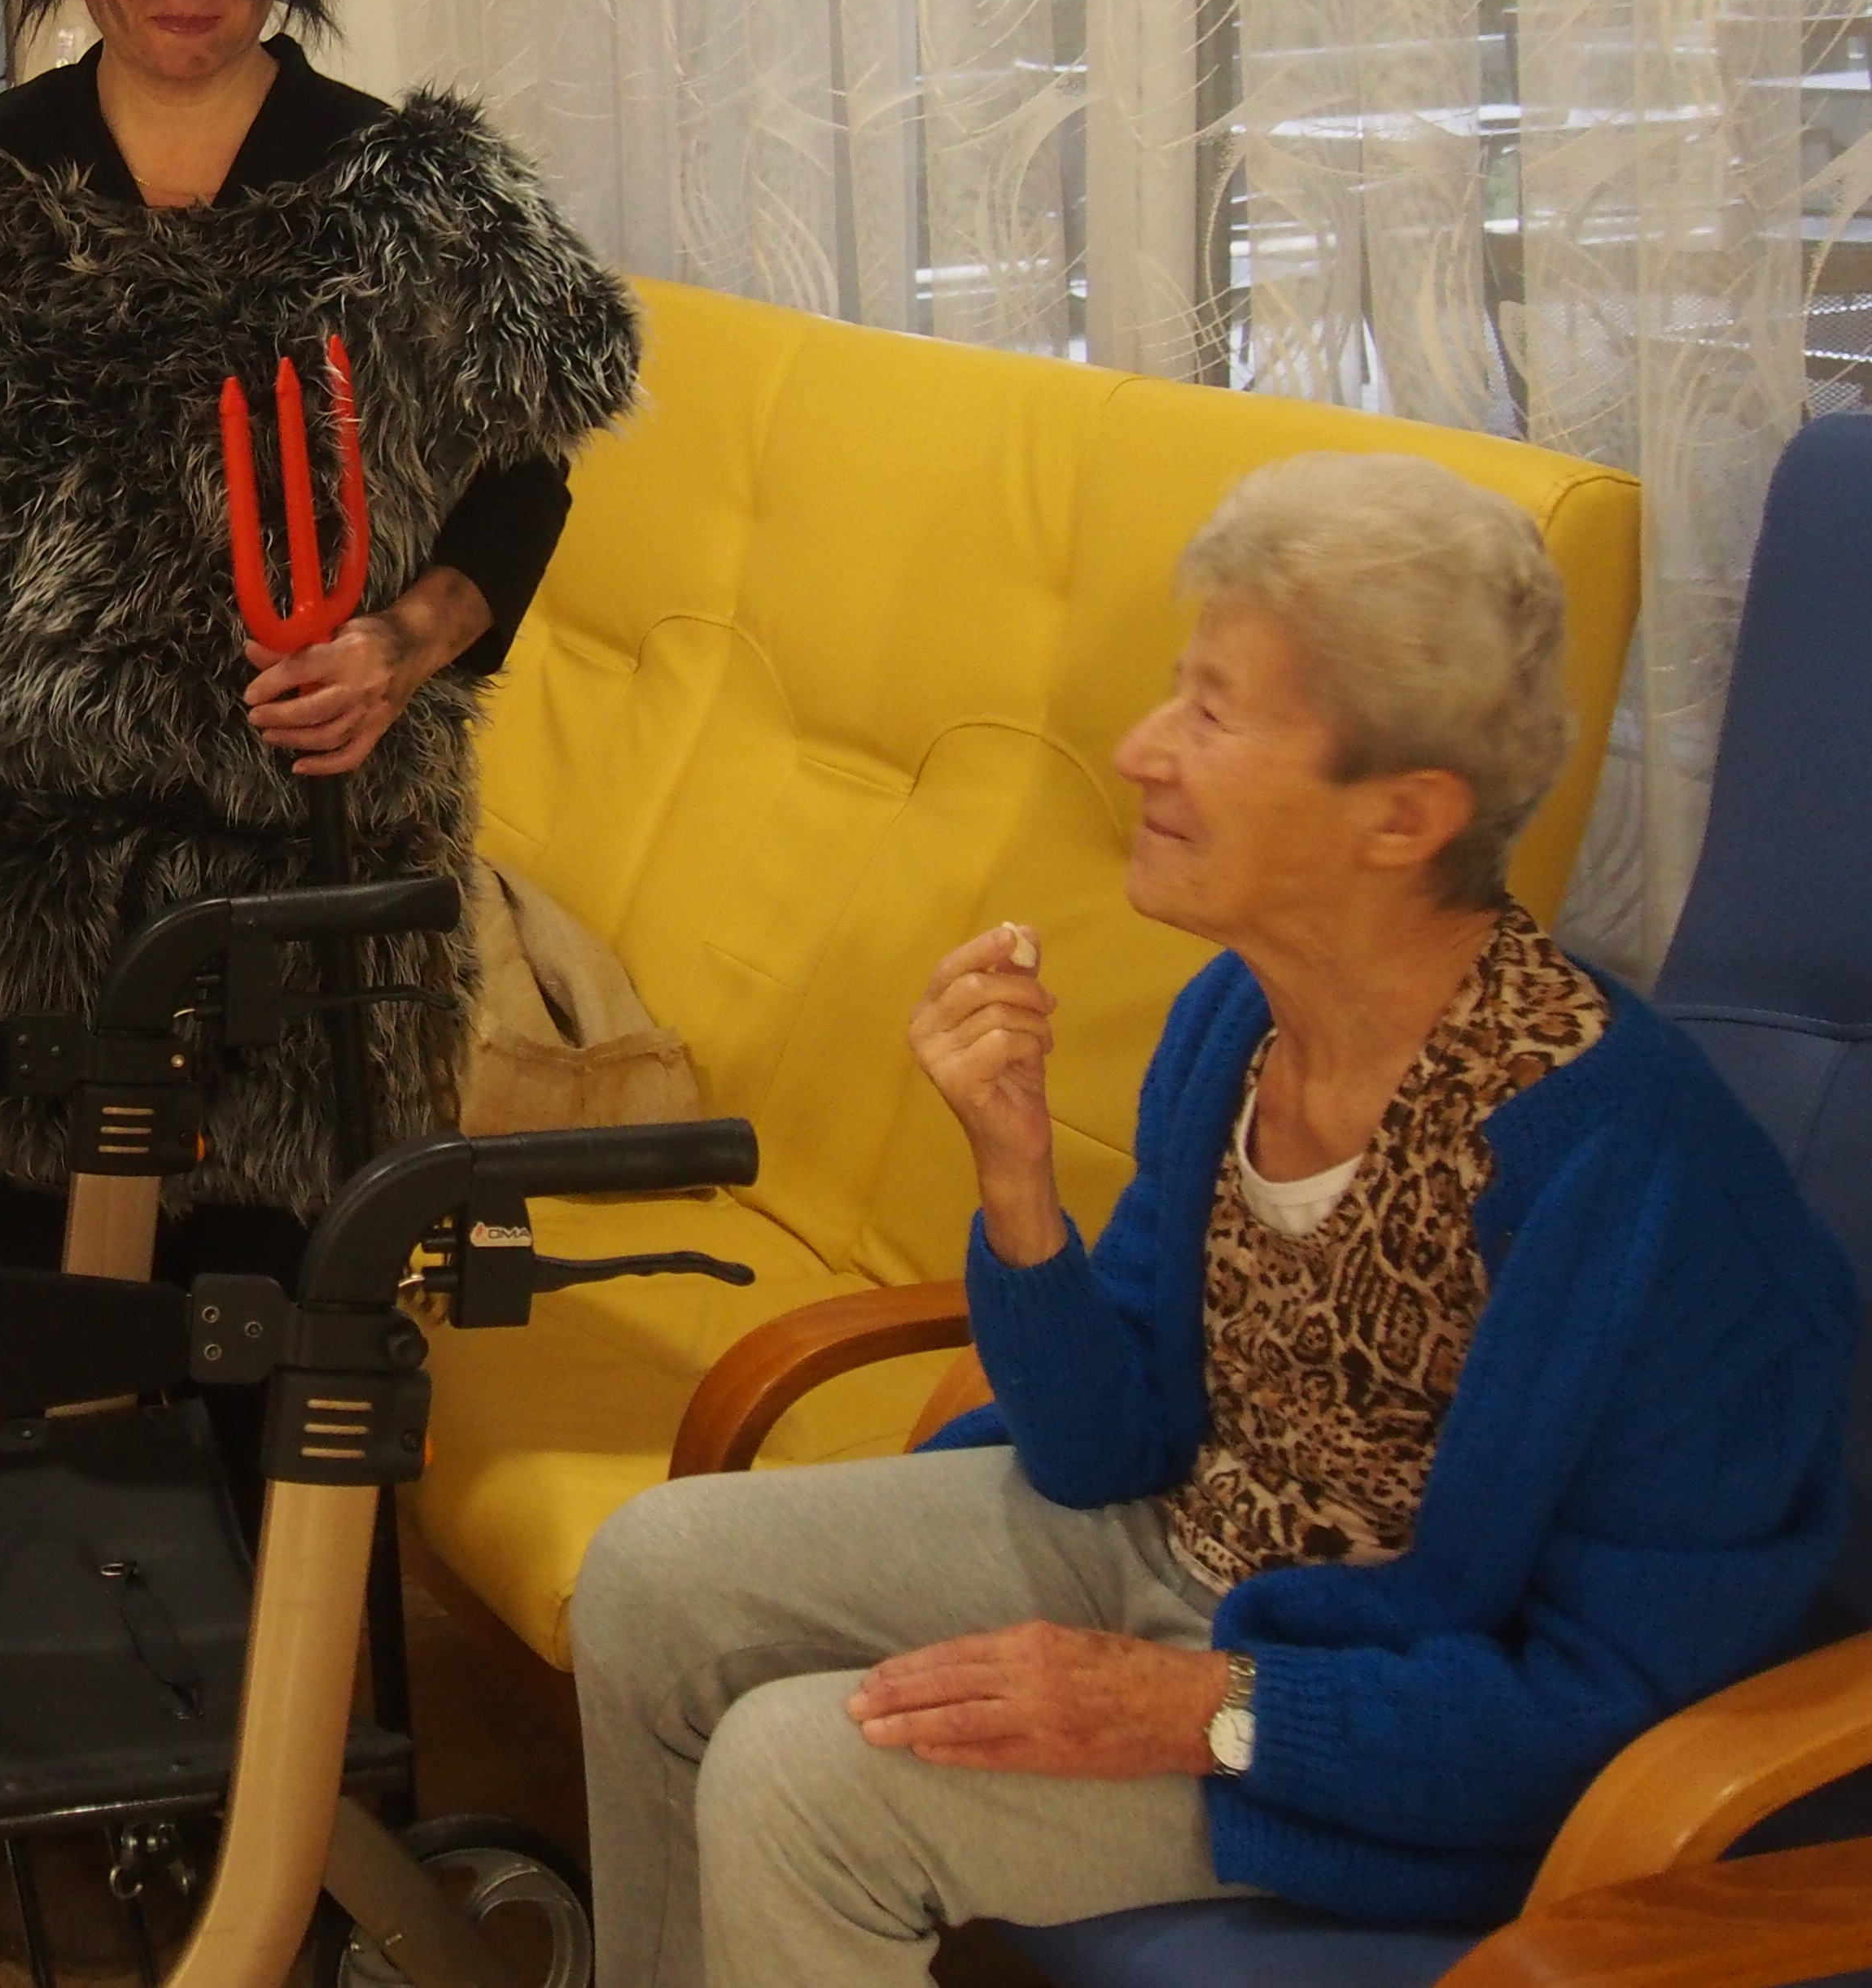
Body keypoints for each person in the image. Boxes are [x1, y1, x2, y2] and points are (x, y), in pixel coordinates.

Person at [571, 450, 1857, 1985]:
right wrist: (1016, 1183)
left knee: (802, 1779)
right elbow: (1102, 1447)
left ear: (1404, 816)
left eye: (1214, 713)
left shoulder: (1647, 1188)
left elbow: (1606, 1714)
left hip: (1384, 1728)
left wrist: (1204, 1708)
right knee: (652, 1576)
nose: (1138, 751)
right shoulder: (1234, 1020)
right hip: (1167, 1551)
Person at [0, 0, 641, 1282]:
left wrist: (404, 644)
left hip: (325, 905)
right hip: (24, 895)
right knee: (64, 1369)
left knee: (307, 1372)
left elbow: (529, 468)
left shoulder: (415, 195)